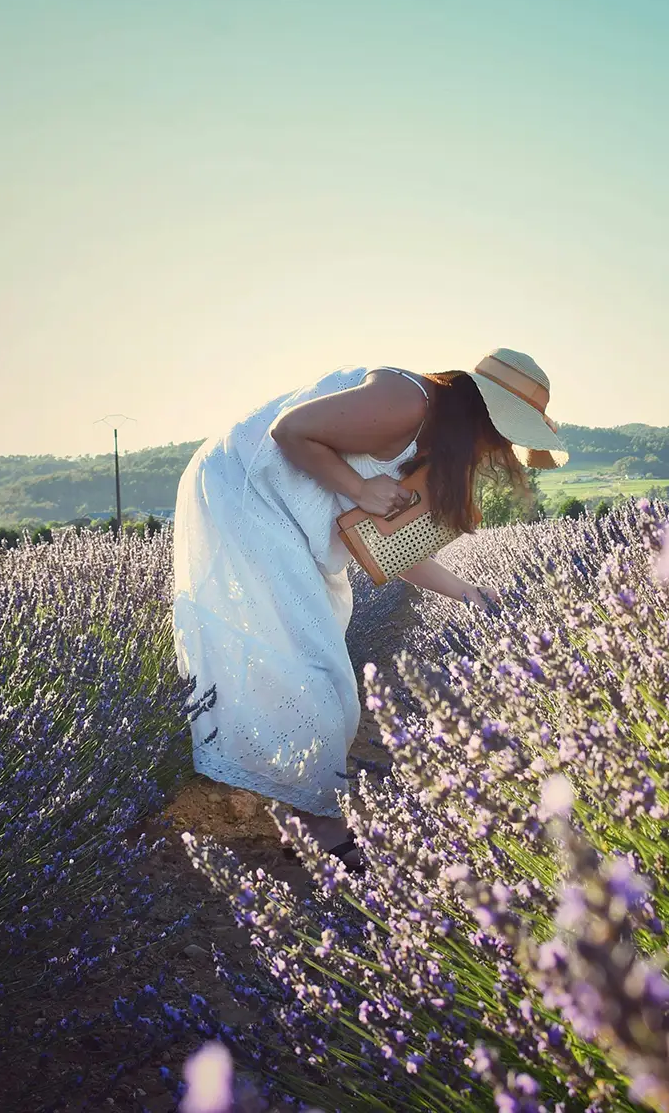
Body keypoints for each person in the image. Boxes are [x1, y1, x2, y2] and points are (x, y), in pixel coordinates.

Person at [171, 348, 567, 867]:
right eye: (507, 436)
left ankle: (303, 815)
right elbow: (290, 431)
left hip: (282, 513)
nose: (503, 452)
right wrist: (359, 487)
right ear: (486, 415)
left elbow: (389, 550)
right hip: (243, 492)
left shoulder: (431, 442)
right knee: (314, 667)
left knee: (320, 669)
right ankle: (320, 825)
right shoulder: (408, 401)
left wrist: (469, 592)